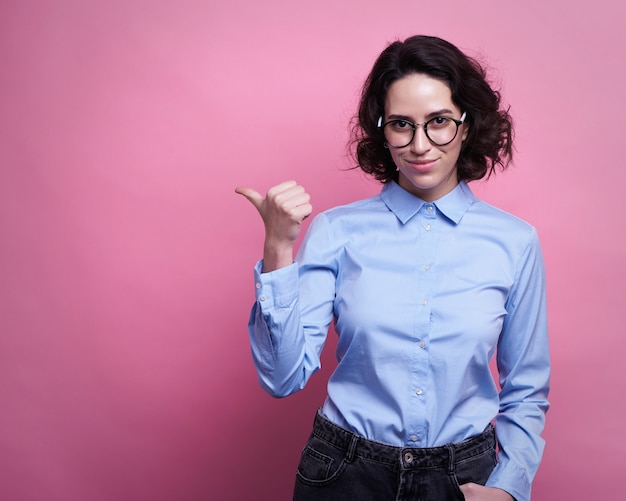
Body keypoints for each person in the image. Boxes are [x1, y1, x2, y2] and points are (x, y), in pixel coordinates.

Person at [235, 35, 549, 501]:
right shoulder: (336, 232)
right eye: (402, 124)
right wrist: (279, 250)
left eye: (439, 122)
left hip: (465, 478)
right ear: (382, 129)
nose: (420, 145)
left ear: (467, 125)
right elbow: (283, 379)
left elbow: (526, 387)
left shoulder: (515, 242)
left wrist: (509, 485)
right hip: (345, 474)